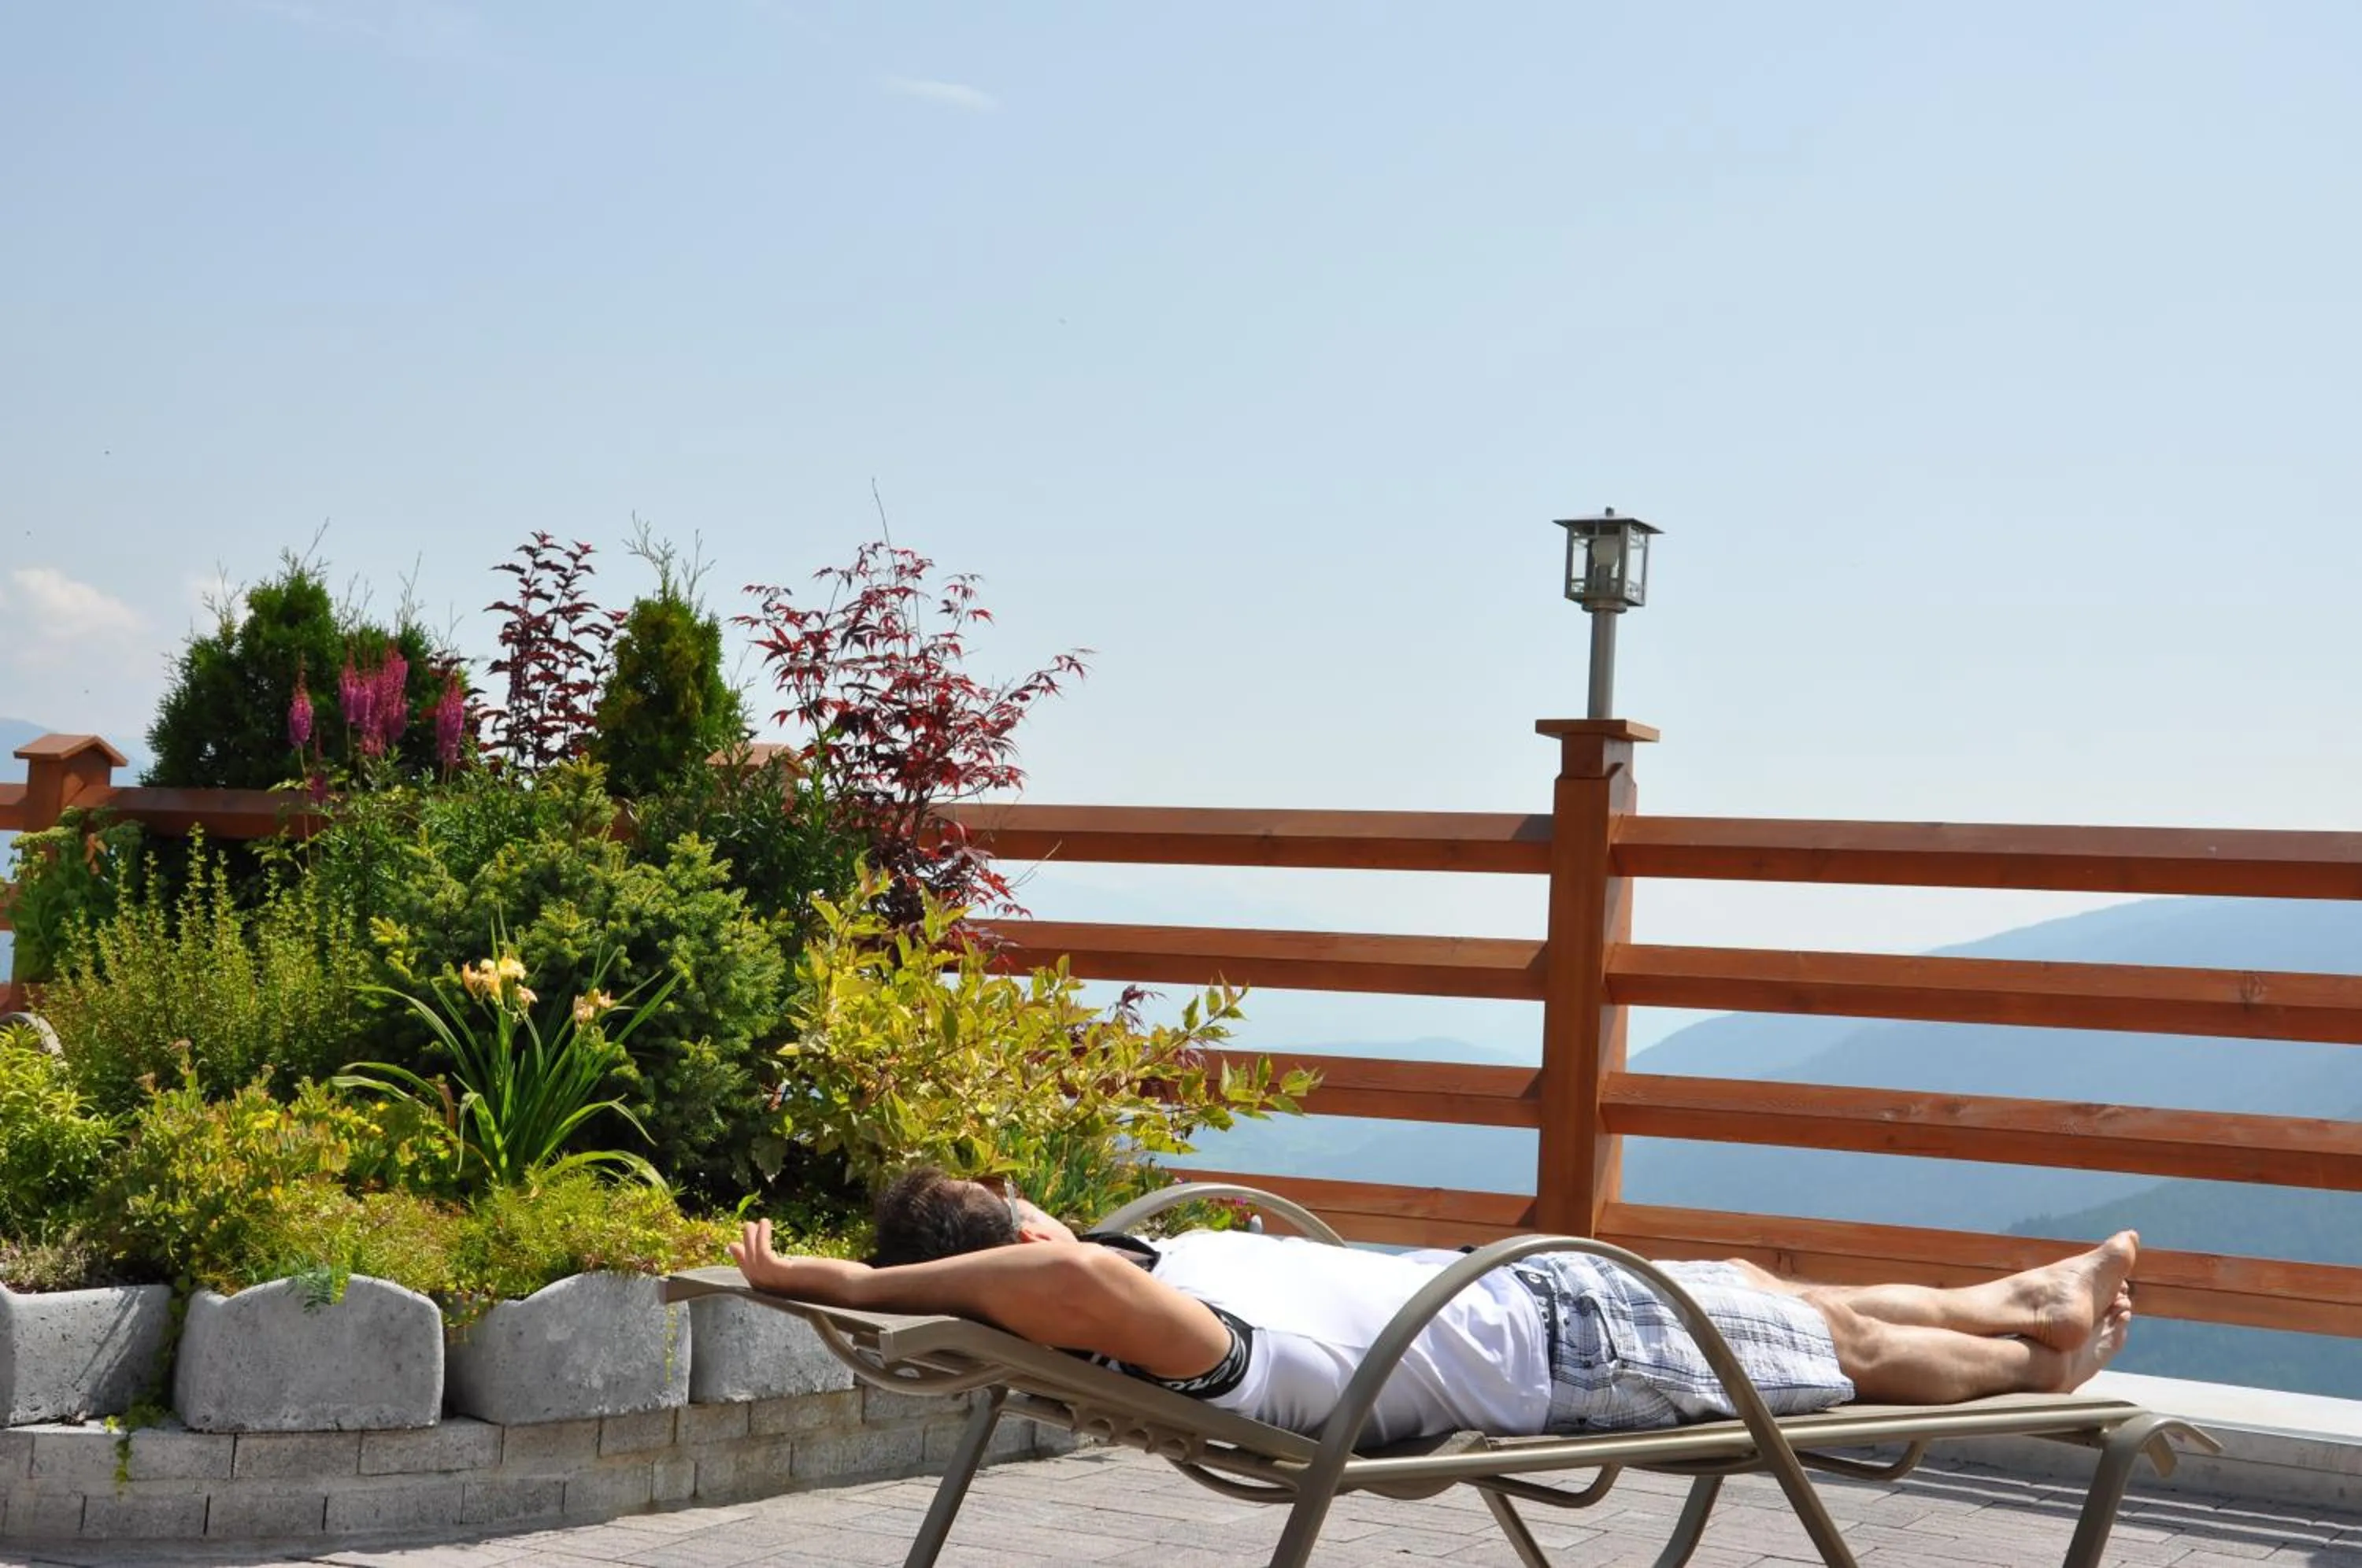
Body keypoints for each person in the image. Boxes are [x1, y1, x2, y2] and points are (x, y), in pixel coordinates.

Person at [729, 1167, 2137, 1446]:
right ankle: (2039, 1362)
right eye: (1024, 1206)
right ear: (1021, 1239)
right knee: (1852, 1353)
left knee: (1773, 1294)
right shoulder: (1160, 1332)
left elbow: (1066, 1278)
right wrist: (845, 1283)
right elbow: (1067, 1281)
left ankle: (2019, 1299)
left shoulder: (1153, 1295)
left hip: (1529, 1302)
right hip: (1548, 1340)